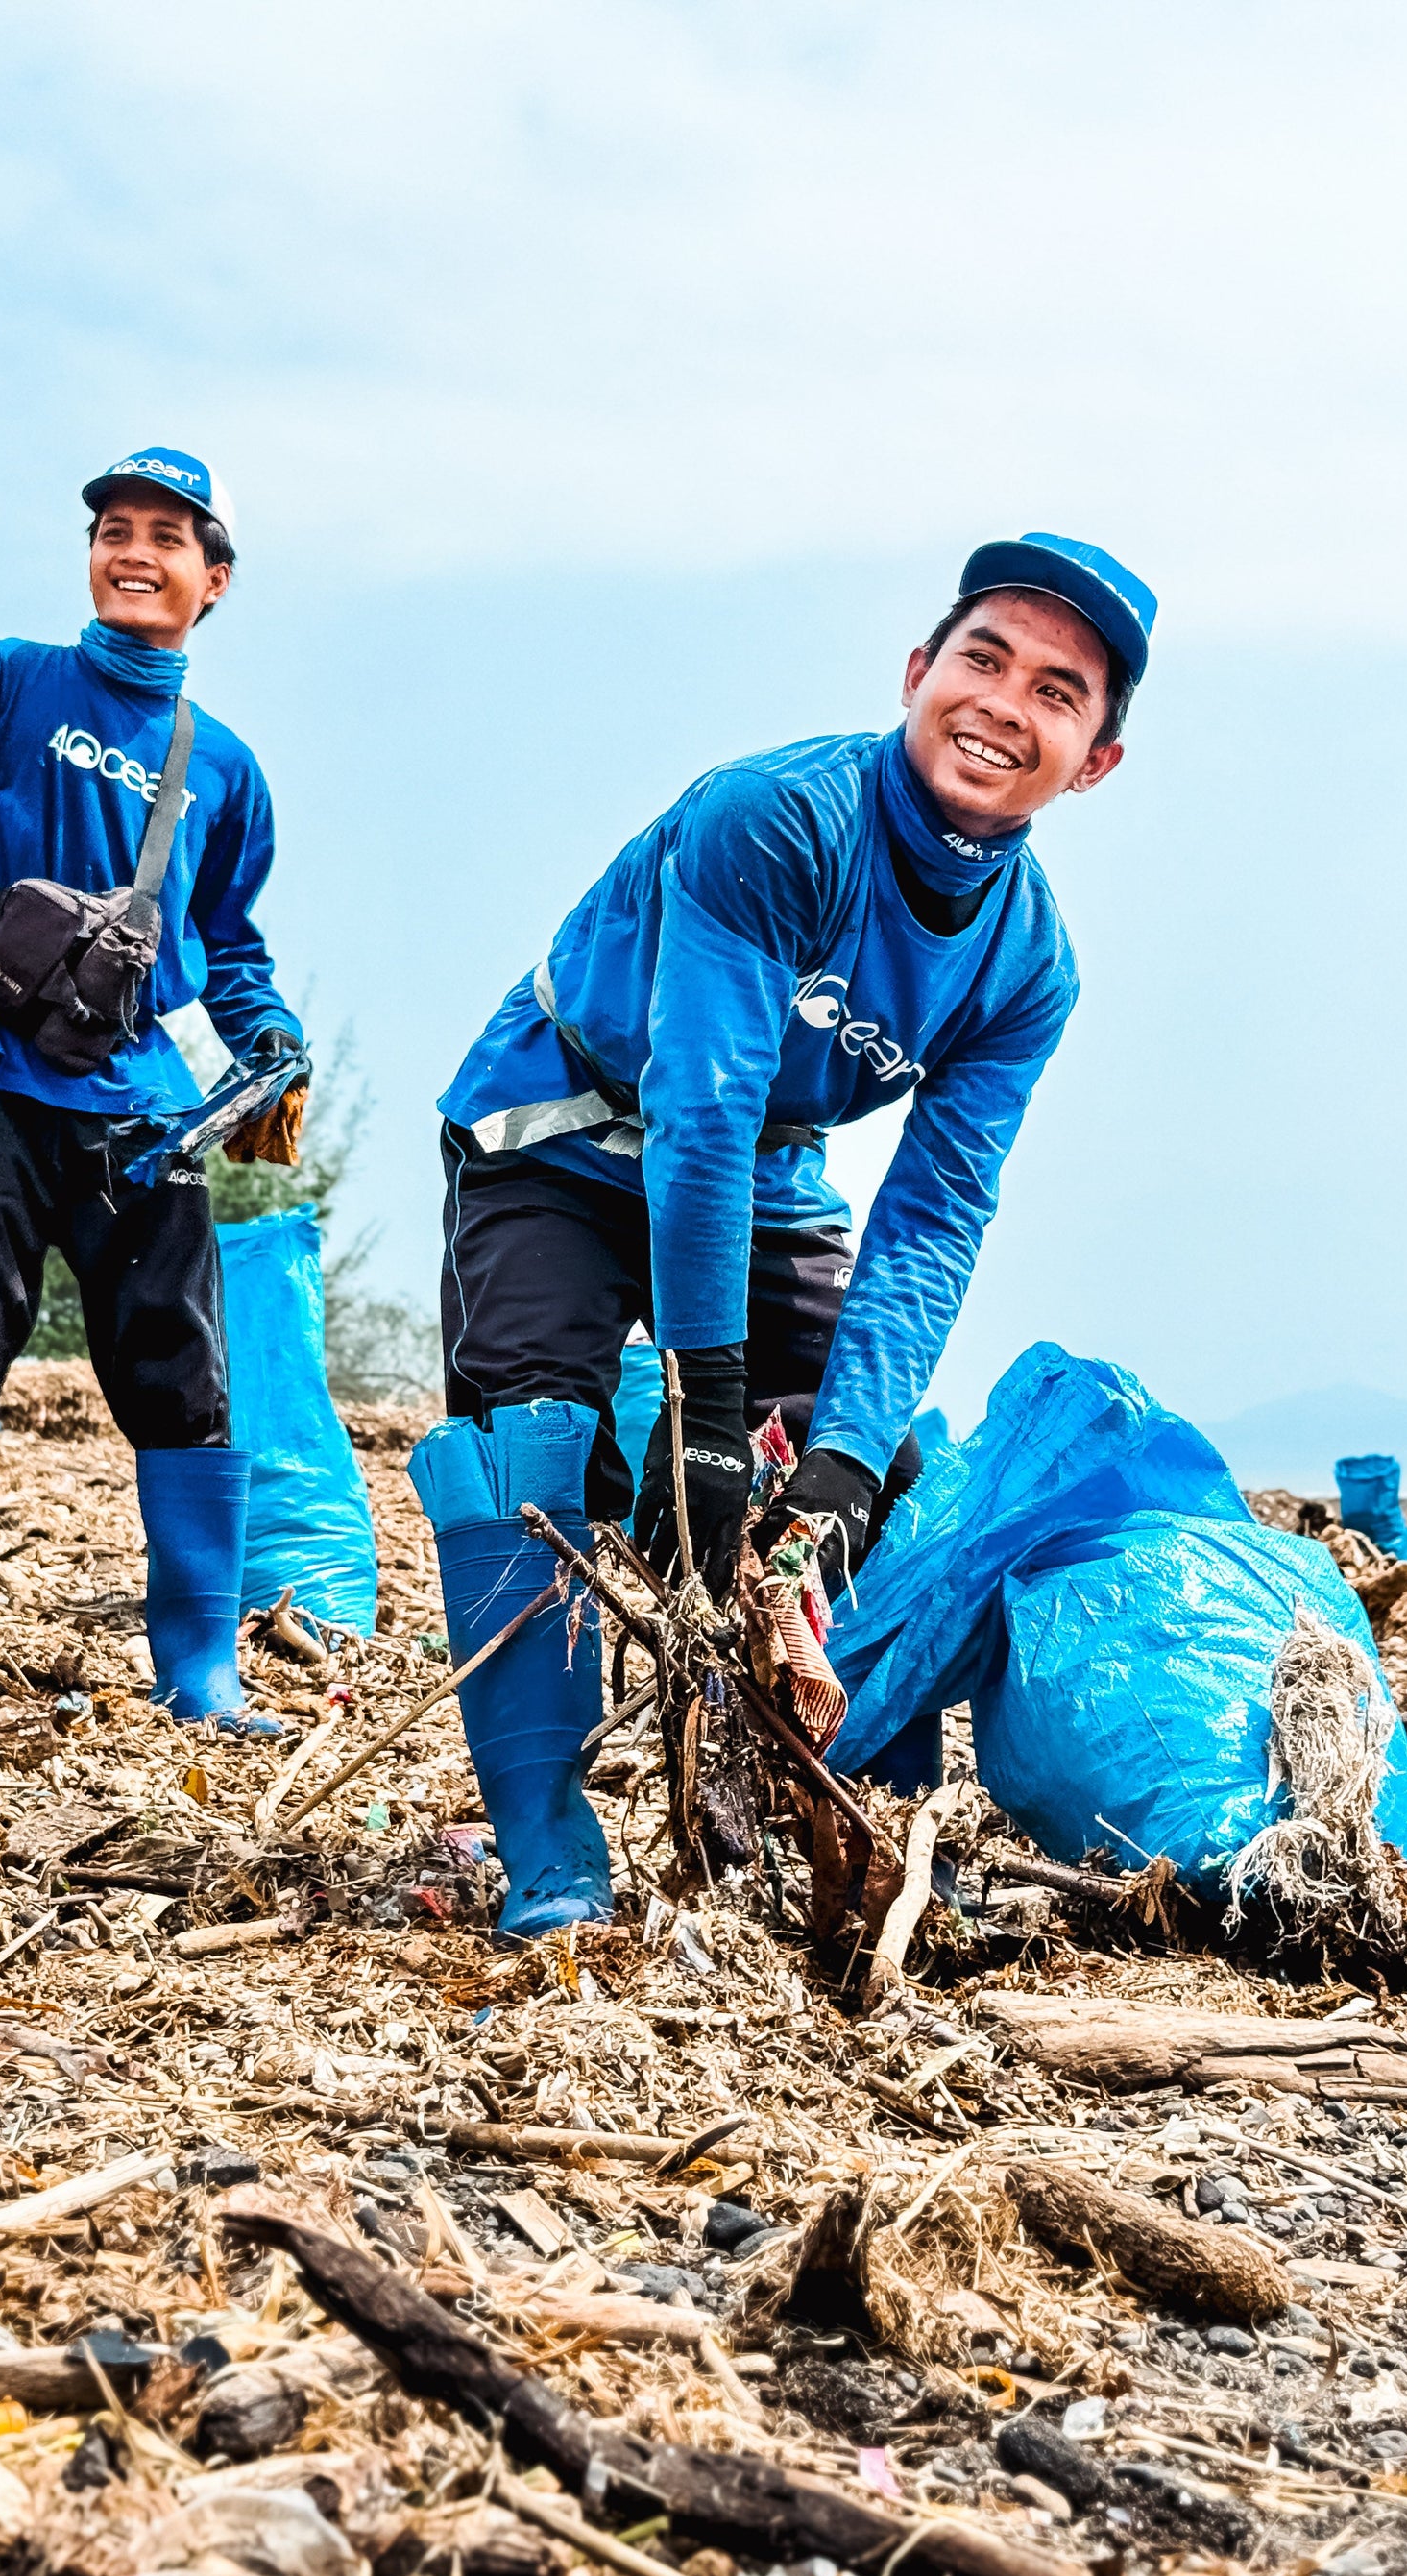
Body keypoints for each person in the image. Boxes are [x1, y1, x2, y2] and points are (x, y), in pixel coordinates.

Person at [411, 532, 1155, 1940]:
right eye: (982, 659)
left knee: (875, 1475)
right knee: (528, 1452)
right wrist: (707, 1408)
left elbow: (933, 1217)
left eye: (1057, 692)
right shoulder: (777, 818)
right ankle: (552, 1852)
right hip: (565, 1125)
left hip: (762, 1170)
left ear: (1092, 761)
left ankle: (847, 1826)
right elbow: (698, 1107)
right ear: (917, 672)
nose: (1004, 704)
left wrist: (840, 1457)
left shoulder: (1028, 966)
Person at [0, 445, 307, 1723]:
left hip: (146, 1116)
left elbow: (229, 945)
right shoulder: (5, 682)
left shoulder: (230, 770)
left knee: (182, 1384)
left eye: (167, 536)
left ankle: (200, 1670)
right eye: (114, 528)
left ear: (213, 581)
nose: (134, 551)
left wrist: (270, 1039)